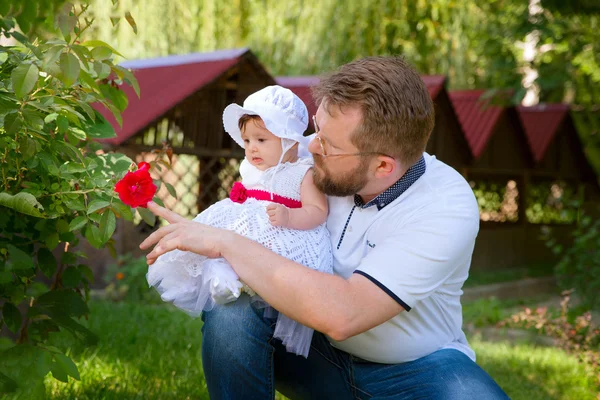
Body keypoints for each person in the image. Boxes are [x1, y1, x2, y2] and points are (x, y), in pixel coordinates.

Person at [141, 56, 509, 399]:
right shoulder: (312, 160)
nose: (311, 145)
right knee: (231, 311)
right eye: (318, 128)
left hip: (418, 369)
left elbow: (346, 314)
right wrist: (210, 225)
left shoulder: (444, 205)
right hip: (313, 352)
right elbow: (255, 196)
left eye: (329, 144)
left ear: (383, 167)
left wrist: (226, 243)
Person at [146, 85, 333, 357]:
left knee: (261, 264)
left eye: (261, 140)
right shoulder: (252, 170)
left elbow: (318, 210)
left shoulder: (303, 173)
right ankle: (224, 278)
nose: (252, 149)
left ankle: (247, 284)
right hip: (249, 228)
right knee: (218, 241)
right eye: (247, 141)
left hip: (285, 233)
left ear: (290, 140)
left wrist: (290, 215)